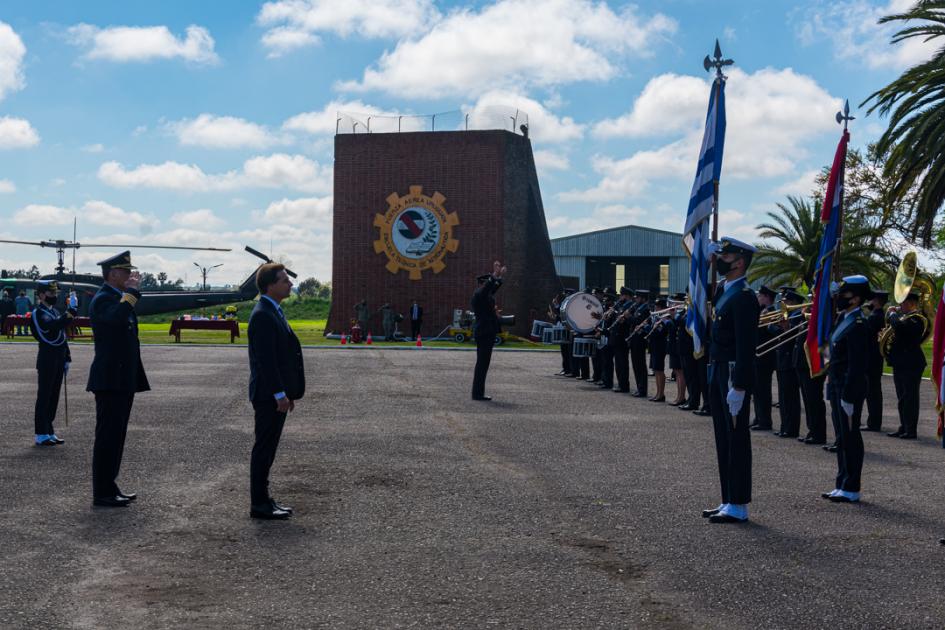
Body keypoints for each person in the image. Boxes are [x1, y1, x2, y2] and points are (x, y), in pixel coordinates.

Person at [86, 251, 150, 508]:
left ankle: (109, 486)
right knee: (108, 437)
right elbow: (115, 319)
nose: (130, 276)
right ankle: (102, 491)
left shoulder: (117, 298)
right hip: (110, 379)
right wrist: (132, 294)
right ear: (113, 274)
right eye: (125, 272)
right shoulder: (103, 299)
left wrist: (130, 295)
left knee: (117, 436)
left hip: (121, 378)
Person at [703, 238, 759, 524]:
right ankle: (728, 498)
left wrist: (739, 385)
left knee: (736, 438)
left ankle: (739, 504)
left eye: (725, 255)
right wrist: (706, 261)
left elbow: (746, 347)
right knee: (723, 437)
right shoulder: (725, 291)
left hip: (731, 372)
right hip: (718, 369)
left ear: (739, 261)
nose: (720, 259)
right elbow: (700, 294)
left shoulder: (745, 297)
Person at [247, 263, 305, 520]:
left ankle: (264, 499)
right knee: (263, 449)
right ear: (270, 285)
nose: (290, 284)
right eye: (284, 280)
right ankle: (259, 504)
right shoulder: (263, 315)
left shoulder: (274, 311)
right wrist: (279, 394)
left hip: (275, 394)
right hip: (267, 395)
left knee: (268, 449)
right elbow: (266, 361)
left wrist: (287, 392)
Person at [821, 276, 870, 503]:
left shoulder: (859, 324)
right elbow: (831, 349)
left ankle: (852, 486)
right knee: (841, 435)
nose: (839, 298)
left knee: (850, 436)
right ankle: (841, 481)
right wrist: (829, 378)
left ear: (857, 299)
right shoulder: (842, 318)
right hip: (837, 383)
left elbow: (857, 364)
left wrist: (849, 394)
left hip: (849, 387)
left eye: (845, 294)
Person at [31, 280, 76, 446]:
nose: (54, 296)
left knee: (54, 396)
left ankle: (49, 430)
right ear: (42, 295)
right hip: (47, 359)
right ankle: (40, 433)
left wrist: (67, 357)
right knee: (44, 396)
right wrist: (70, 311)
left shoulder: (54, 311)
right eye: (51, 293)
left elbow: (62, 336)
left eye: (55, 293)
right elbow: (53, 327)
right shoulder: (38, 313)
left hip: (58, 358)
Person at [885, 291, 928, 440]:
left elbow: (901, 328)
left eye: (902, 303)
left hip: (912, 363)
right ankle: (903, 426)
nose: (899, 306)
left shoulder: (918, 319)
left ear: (911, 303)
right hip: (901, 363)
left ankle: (911, 430)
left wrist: (892, 315)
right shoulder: (905, 318)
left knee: (910, 397)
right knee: (902, 397)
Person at [471, 261, 506, 401]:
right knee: (482, 364)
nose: (488, 287)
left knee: (483, 364)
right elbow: (487, 289)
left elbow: (492, 289)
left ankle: (478, 393)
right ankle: (477, 394)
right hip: (484, 333)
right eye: (486, 284)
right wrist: (494, 275)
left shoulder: (484, 296)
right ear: (482, 284)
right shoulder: (479, 295)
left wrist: (500, 278)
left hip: (487, 332)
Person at [773, 290, 804, 439]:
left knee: (790, 398)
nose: (784, 304)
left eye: (787, 302)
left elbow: (794, 337)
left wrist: (785, 328)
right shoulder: (789, 315)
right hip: (782, 360)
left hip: (789, 359)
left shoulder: (797, 316)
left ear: (793, 302)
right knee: (783, 397)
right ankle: (784, 425)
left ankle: (791, 428)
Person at [750, 286, 777, 431]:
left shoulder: (773, 313)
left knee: (763, 390)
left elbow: (772, 332)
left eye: (760, 295)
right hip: (758, 356)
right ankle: (758, 417)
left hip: (765, 357)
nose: (758, 298)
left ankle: (765, 421)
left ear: (766, 297)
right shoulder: (761, 312)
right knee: (756, 390)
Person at [861, 290, 888, 431]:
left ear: (876, 301)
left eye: (872, 300)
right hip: (875, 358)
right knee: (873, 391)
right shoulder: (878, 315)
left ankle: (874, 422)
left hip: (871, 359)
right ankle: (874, 421)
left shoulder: (875, 317)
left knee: (872, 393)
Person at [647, 299, 672, 403]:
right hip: (654, 346)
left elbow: (660, 332)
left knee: (659, 370)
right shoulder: (657, 317)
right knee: (656, 370)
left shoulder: (665, 318)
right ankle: (658, 393)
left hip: (660, 346)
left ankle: (661, 394)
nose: (656, 308)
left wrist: (652, 329)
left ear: (662, 308)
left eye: (657, 307)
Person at [628, 289, 651, 398]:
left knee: (640, 365)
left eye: (638, 297)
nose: (636, 299)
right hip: (634, 339)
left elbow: (638, 321)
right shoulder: (637, 308)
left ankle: (642, 389)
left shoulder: (646, 309)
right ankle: (639, 387)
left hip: (640, 340)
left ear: (643, 298)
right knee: (635, 365)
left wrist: (629, 317)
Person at [611, 288, 633, 392]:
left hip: (623, 338)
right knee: (618, 363)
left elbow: (630, 322)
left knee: (622, 363)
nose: (620, 297)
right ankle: (620, 383)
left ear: (627, 296)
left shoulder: (630, 306)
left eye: (622, 295)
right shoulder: (621, 306)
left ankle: (624, 385)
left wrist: (624, 319)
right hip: (617, 337)